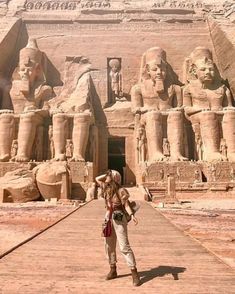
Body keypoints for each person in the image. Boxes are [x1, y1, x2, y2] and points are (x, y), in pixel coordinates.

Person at [95, 170, 141, 287]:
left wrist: (132, 215)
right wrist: (107, 174)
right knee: (108, 245)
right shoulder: (106, 187)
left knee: (124, 246)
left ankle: (134, 272)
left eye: (109, 176)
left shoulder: (121, 191)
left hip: (119, 217)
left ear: (114, 178)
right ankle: (113, 269)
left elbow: (126, 205)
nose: (106, 178)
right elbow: (96, 179)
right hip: (108, 217)